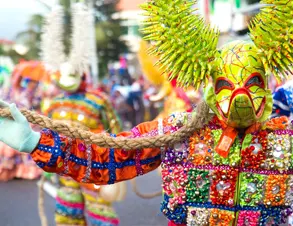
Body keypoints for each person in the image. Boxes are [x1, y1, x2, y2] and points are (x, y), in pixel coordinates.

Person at [0, 0, 293, 225]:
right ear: (212, 87)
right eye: (227, 85)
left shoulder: (284, 138)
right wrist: (36, 143)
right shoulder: (181, 132)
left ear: (266, 85)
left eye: (252, 82)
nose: (240, 95)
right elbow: (112, 158)